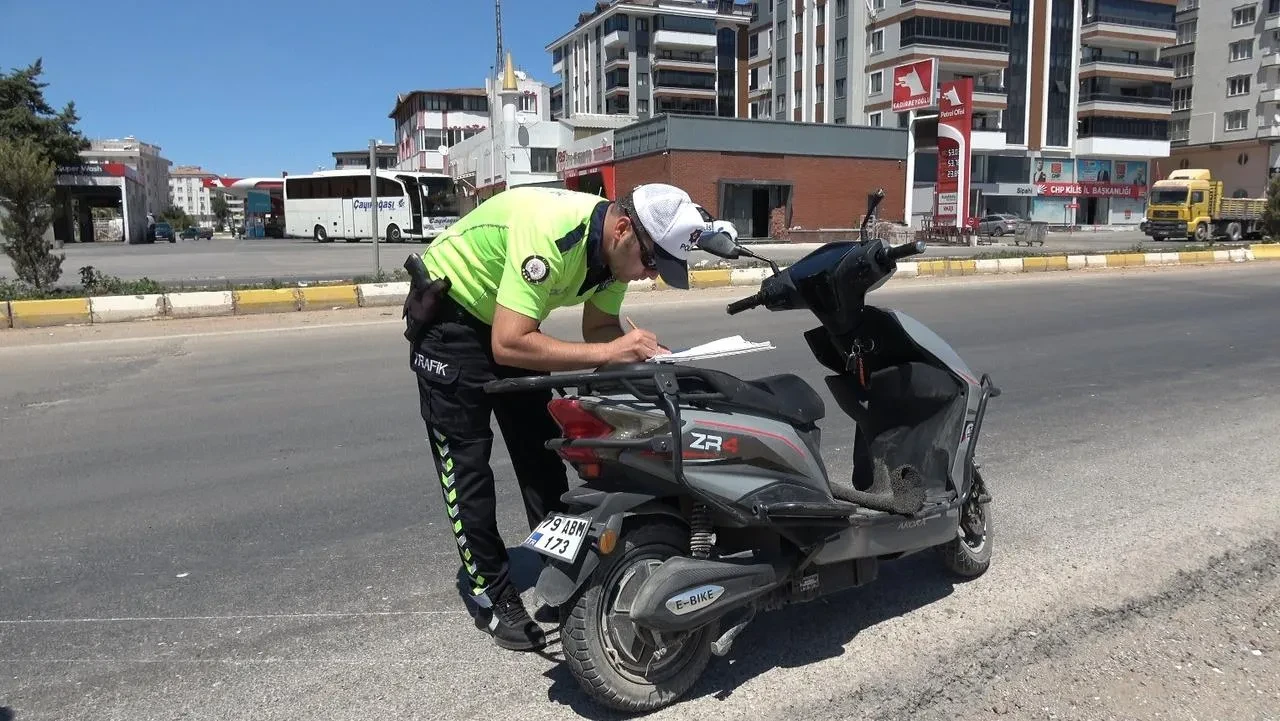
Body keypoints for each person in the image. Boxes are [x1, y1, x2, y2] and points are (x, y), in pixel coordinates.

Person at [402, 183, 729, 651]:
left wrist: (645, 357)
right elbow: (509, 343)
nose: (649, 275)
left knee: (541, 450)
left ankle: (561, 571)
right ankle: (490, 592)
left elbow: (599, 328)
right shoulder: (552, 236)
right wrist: (611, 351)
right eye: (651, 262)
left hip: (507, 320)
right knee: (467, 466)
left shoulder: (616, 251)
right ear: (622, 230)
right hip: (451, 319)